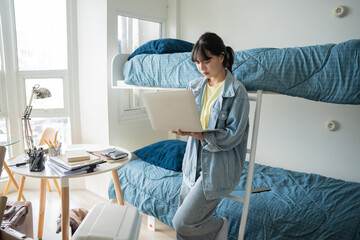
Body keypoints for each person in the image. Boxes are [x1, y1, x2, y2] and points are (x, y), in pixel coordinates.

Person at [171, 32, 250, 239]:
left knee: (181, 222)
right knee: (182, 227)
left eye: (207, 60)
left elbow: (233, 135)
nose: (201, 67)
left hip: (217, 166)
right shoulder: (194, 87)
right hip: (192, 161)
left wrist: (201, 134)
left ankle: (218, 226)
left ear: (221, 57)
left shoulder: (236, 91)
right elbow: (188, 119)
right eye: (197, 62)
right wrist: (180, 125)